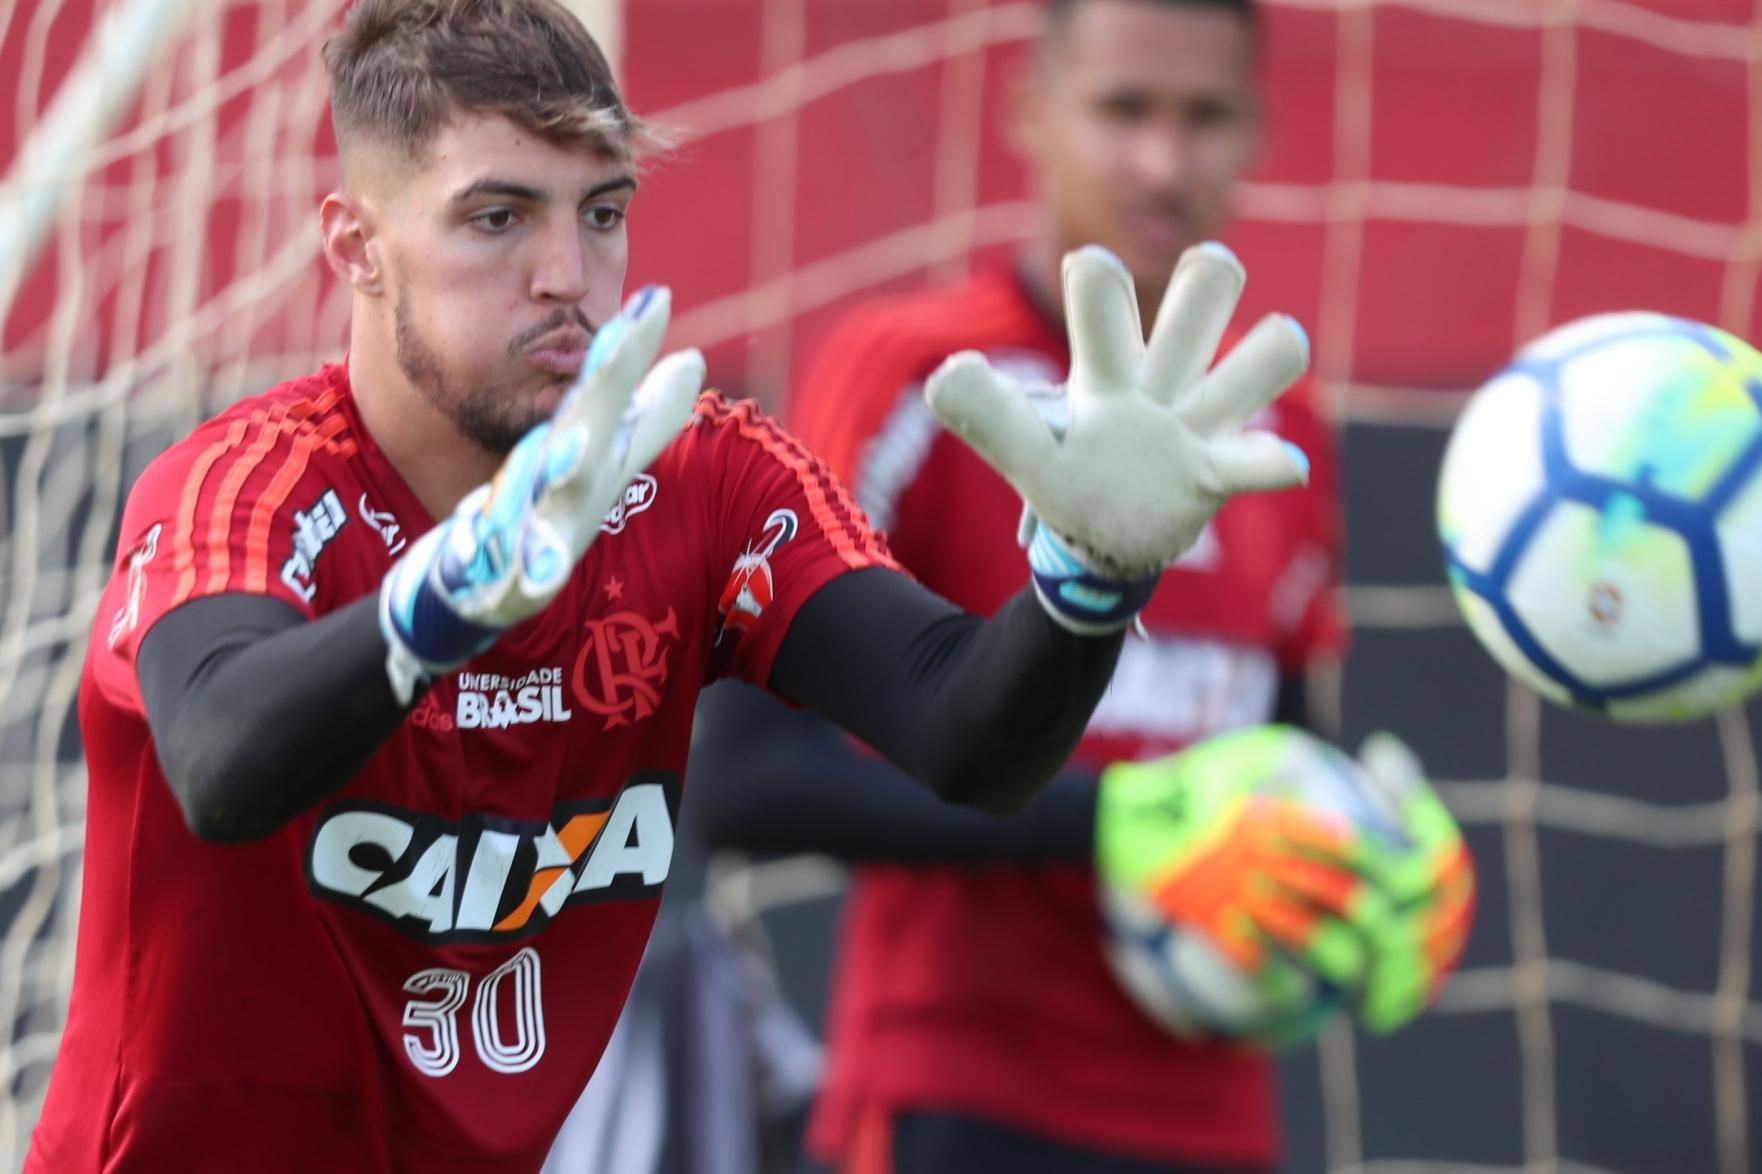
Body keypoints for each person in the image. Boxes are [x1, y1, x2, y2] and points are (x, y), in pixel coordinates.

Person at [24, 0, 1322, 1171]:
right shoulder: (246, 485)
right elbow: (221, 758)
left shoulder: (698, 481)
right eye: (496, 216)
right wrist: (448, 593)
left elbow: (964, 736)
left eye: (600, 212)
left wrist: (1084, 587)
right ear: (356, 246)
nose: (564, 275)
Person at [692, 1, 1474, 1172]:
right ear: (1032, 111)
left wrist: (1370, 868)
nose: (1163, 161)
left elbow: (1271, 765)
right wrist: (1110, 825)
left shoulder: (1274, 420)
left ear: (1257, 127)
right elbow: (747, 781)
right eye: (1123, 110)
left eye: (1203, 116)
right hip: (958, 1097)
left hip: (1213, 1118)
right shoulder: (922, 376)